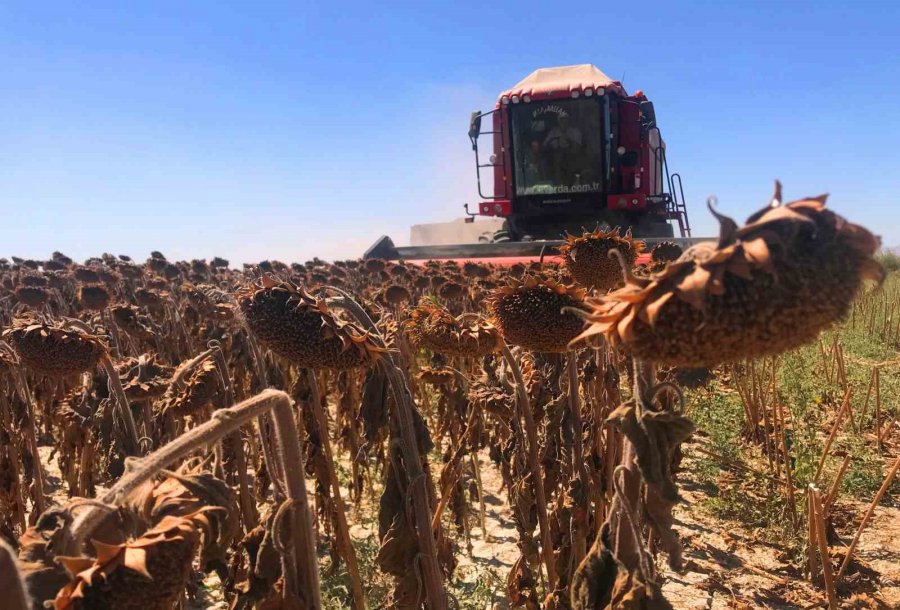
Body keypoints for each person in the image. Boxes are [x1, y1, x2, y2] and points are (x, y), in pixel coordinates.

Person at [543, 115, 582, 184]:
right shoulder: (553, 132)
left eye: (566, 120)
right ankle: (558, 182)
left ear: (569, 121)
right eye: (562, 120)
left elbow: (578, 147)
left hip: (572, 157)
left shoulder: (575, 132)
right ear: (558, 121)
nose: (564, 123)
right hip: (556, 158)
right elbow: (545, 145)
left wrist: (568, 140)